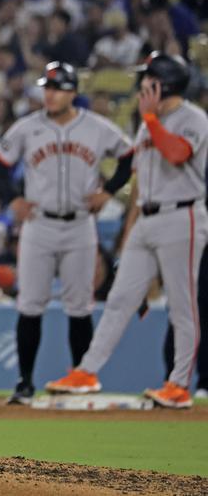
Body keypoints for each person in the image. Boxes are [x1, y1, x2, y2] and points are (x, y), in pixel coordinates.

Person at [47, 53, 207, 409]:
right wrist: (129, 231)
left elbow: (179, 154)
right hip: (147, 217)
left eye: (148, 79)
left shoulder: (192, 118)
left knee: (183, 306)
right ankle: (86, 371)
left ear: (162, 84)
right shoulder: (148, 121)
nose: (141, 85)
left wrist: (150, 118)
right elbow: (140, 179)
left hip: (182, 215)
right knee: (119, 300)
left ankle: (179, 385)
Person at [0, 61, 133, 404]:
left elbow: (130, 156)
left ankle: (79, 378)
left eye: (57, 87)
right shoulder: (27, 127)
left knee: (79, 306)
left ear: (72, 92)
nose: (50, 93)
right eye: (47, 87)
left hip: (80, 224)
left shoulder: (97, 128)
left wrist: (109, 191)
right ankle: (24, 383)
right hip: (38, 223)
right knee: (30, 304)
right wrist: (13, 199)